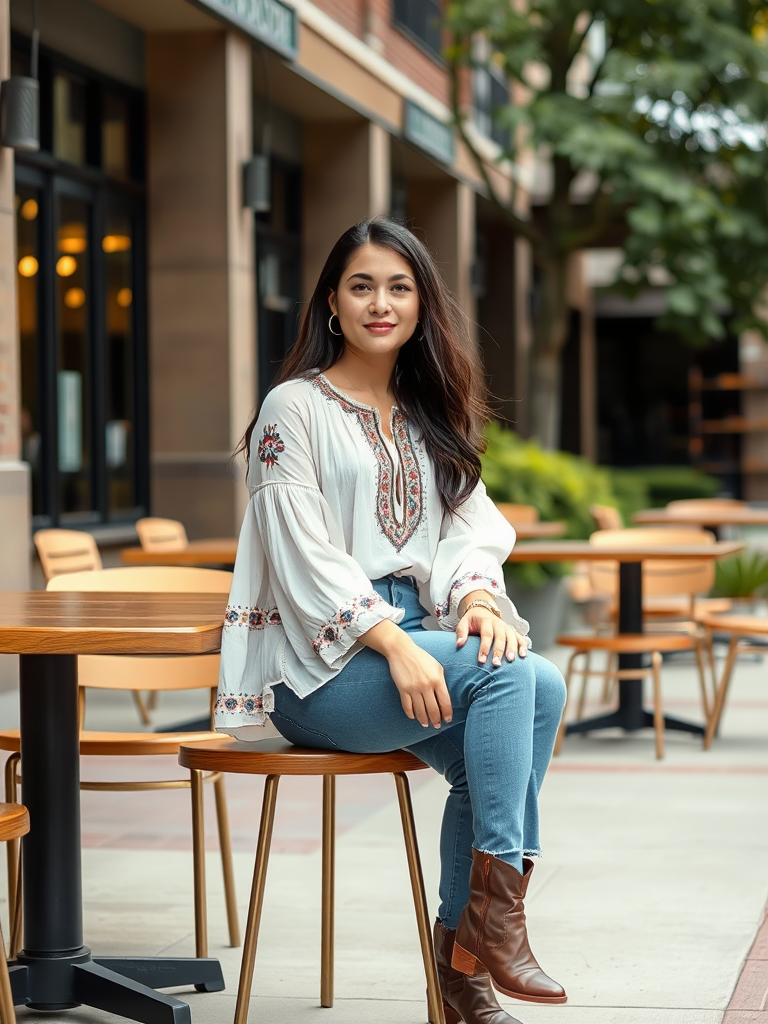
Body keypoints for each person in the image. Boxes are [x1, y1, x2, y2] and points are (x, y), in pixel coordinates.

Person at [216, 217, 567, 1024]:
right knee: (516, 677)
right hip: (325, 663)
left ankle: (465, 966)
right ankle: (490, 931)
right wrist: (394, 643)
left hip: (422, 639)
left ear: (421, 305)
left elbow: (470, 528)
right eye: (362, 286)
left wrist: (478, 597)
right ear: (332, 306)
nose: (381, 303)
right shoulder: (292, 408)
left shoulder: (427, 411)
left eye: (399, 287)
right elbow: (301, 550)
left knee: (537, 685)